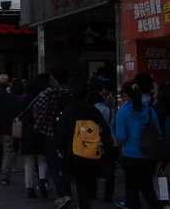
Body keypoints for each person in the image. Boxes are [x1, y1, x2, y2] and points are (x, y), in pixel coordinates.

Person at [55, 81, 112, 209]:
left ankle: (80, 201)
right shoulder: (92, 110)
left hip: (74, 150)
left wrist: (60, 147)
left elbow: (62, 131)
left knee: (78, 178)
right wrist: (104, 145)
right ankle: (87, 200)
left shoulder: (69, 110)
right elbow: (104, 128)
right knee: (89, 177)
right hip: (92, 150)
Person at [115, 81, 164, 209]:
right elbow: (158, 132)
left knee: (131, 187)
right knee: (147, 186)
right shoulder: (150, 111)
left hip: (130, 155)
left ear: (125, 95)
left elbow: (121, 137)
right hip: (148, 155)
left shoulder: (122, 113)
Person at [34, 65, 73, 209]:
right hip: (68, 133)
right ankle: (67, 192)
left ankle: (63, 195)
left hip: (51, 132)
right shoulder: (68, 92)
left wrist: (37, 127)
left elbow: (40, 111)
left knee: (54, 166)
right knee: (66, 165)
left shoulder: (48, 93)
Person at [0, 74, 22, 185]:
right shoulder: (12, 98)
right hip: (8, 127)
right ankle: (5, 175)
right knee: (8, 151)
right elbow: (17, 113)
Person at [20, 73, 50, 199]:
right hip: (42, 130)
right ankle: (42, 180)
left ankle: (30, 188)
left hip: (27, 131)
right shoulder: (44, 99)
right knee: (43, 159)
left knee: (29, 162)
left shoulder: (24, 100)